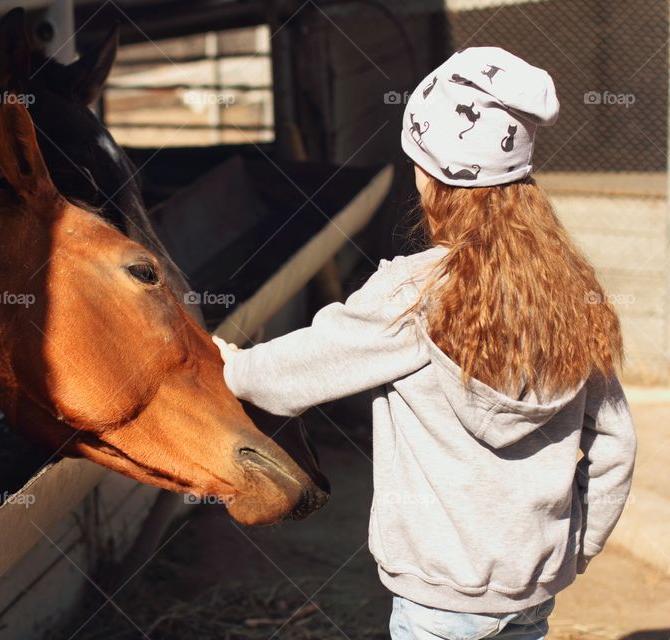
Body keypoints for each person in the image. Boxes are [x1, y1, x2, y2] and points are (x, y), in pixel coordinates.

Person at [212, 47, 636, 640]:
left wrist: (226, 365)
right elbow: (615, 445)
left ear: (429, 171)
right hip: (533, 594)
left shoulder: (412, 296)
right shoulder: (569, 298)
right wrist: (573, 550)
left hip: (435, 604)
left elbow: (282, 378)